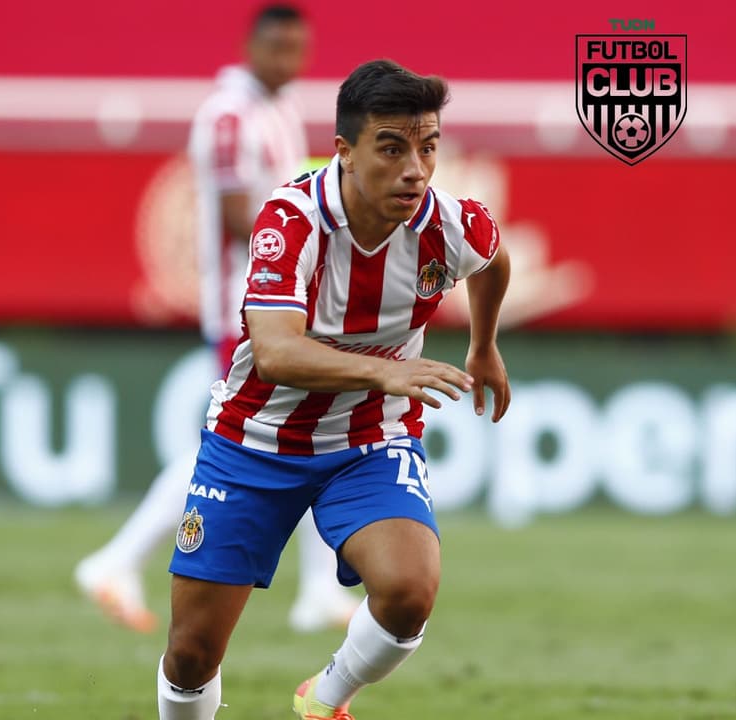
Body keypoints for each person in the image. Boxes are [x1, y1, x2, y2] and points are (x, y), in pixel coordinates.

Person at [155, 59, 511, 720]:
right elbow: (275, 353)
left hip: (369, 439)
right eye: (392, 148)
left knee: (409, 591)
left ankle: (324, 701)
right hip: (254, 442)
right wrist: (386, 371)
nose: (415, 170)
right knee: (192, 652)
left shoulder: (449, 224)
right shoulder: (291, 219)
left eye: (428, 148)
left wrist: (483, 344)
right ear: (345, 151)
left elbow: (493, 260)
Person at [75, 3, 361, 634]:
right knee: (237, 438)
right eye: (277, 47)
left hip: (282, 297)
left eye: (297, 49)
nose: (287, 60)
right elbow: (240, 217)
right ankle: (118, 559)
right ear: (251, 46)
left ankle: (316, 587)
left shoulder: (280, 108)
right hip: (249, 302)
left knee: (312, 424)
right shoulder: (229, 115)